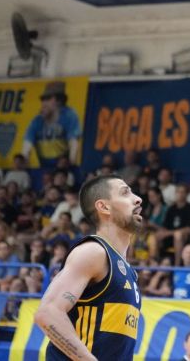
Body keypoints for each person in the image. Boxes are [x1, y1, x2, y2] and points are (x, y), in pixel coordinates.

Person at [34, 175, 142, 361]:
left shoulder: (127, 270)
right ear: (104, 207)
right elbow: (48, 313)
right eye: (125, 193)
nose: (138, 199)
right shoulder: (93, 252)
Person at [22, 81, 82, 168]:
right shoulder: (37, 121)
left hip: (63, 168)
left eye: (48, 99)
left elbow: (74, 144)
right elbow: (26, 146)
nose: (43, 103)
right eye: (43, 99)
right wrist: (24, 163)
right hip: (44, 168)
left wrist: (70, 166)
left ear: (59, 101)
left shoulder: (69, 116)